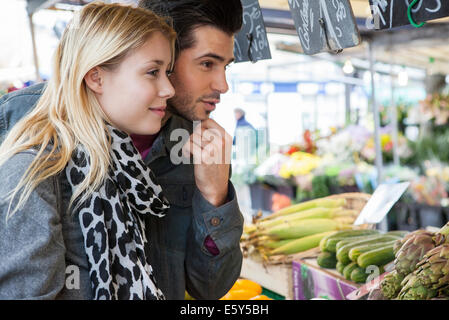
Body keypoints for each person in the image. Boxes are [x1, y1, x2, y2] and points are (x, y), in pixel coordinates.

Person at [0, 0, 244, 300]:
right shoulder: (34, 155)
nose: (223, 84)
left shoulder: (198, 149)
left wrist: (214, 196)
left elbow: (210, 290)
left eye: (226, 65)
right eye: (207, 63)